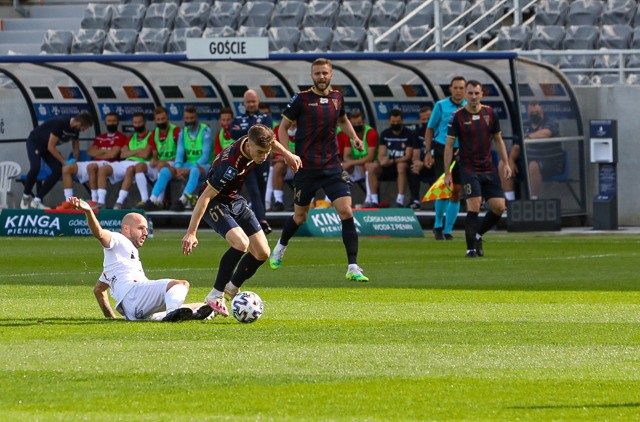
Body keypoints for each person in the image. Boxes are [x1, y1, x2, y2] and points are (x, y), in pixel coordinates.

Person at [181, 124, 301, 317]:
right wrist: (191, 232)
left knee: (262, 252)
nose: (263, 157)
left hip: (234, 199)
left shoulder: (255, 141)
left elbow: (272, 142)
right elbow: (204, 197)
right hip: (215, 201)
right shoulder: (229, 166)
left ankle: (231, 288)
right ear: (249, 146)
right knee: (241, 243)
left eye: (266, 153)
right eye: (260, 152)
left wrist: (287, 154)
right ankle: (215, 295)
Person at [269, 57, 369, 282]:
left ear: (331, 75)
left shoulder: (337, 98)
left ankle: (353, 266)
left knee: (346, 211)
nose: (321, 77)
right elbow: (282, 127)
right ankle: (280, 246)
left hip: (332, 166)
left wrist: (354, 138)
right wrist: (286, 154)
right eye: (317, 74)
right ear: (312, 76)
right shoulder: (302, 99)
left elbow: (343, 120)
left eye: (325, 73)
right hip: (306, 167)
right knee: (300, 216)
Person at [68, 196, 213, 322]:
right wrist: (88, 211)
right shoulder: (118, 239)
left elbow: (99, 290)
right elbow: (99, 233)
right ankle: (172, 313)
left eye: (146, 229)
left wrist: (111, 317)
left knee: (193, 305)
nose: (146, 233)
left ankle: (203, 310)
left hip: (134, 311)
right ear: (126, 229)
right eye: (141, 228)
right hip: (135, 294)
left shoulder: (114, 265)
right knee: (180, 284)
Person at [444, 80, 512, 258]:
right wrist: (447, 174)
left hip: (488, 168)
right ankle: (470, 249)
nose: (473, 96)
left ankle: (478, 234)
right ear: (465, 95)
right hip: (468, 168)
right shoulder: (457, 117)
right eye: (470, 93)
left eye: (476, 93)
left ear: (482, 94)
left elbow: (498, 139)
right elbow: (449, 146)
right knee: (474, 205)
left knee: (499, 207)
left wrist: (506, 163)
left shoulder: (490, 113)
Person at [21, 112, 94, 210]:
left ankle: (37, 200)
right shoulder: (60, 123)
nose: (84, 130)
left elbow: (76, 148)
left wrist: (77, 164)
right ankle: (26, 197)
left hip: (47, 147)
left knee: (57, 170)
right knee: (35, 167)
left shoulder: (75, 130)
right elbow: (51, 147)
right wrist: (64, 161)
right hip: (35, 142)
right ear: (79, 123)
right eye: (84, 128)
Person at [425, 76, 467, 240]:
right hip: (443, 148)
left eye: (461, 88)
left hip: (461, 151)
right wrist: (428, 151)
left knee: (457, 190)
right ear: (450, 89)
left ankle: (448, 229)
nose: (458, 91)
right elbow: (430, 129)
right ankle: (437, 225)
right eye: (455, 87)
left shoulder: (468, 108)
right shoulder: (441, 106)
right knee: (443, 188)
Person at [57, 112, 127, 209]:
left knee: (91, 167)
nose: (111, 123)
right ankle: (69, 201)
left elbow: (113, 154)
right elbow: (90, 152)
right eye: (109, 121)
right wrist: (105, 150)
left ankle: (94, 200)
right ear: (105, 123)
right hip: (94, 162)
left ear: (118, 122)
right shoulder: (100, 137)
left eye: (114, 121)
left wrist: (99, 151)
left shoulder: (121, 137)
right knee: (67, 168)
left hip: (110, 164)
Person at [230, 89, 273, 234]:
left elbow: (267, 135)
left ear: (258, 101)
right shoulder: (238, 119)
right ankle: (261, 221)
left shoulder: (266, 118)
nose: (251, 104)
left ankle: (258, 221)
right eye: (248, 101)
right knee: (254, 191)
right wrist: (254, 133)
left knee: (261, 191)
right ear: (244, 103)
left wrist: (244, 131)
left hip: (263, 160)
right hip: (246, 161)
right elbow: (232, 133)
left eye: (253, 101)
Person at [499, 101, 561, 201]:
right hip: (527, 162)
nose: (534, 115)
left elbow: (545, 133)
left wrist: (527, 138)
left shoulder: (550, 123)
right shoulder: (524, 126)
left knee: (533, 165)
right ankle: (510, 201)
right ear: (527, 113)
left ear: (542, 111)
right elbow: (517, 146)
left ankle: (533, 201)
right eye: (532, 113)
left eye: (537, 112)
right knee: (503, 164)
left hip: (550, 163)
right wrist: (510, 161)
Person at [96, 112, 152, 209]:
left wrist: (130, 152)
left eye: (140, 122)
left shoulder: (151, 135)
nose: (137, 125)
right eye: (135, 122)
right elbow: (122, 154)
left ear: (145, 123)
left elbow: (145, 154)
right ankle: (100, 202)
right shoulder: (131, 137)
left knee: (130, 169)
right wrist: (138, 150)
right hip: (126, 162)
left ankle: (119, 202)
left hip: (142, 163)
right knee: (103, 169)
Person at [168, 105, 214, 211]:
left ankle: (182, 200)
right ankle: (153, 200)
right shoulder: (182, 132)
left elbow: (205, 156)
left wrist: (188, 169)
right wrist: (178, 167)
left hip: (206, 165)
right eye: (187, 118)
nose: (189, 121)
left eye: (192, 118)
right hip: (189, 164)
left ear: (196, 117)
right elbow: (179, 153)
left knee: (194, 170)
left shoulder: (205, 131)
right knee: (166, 171)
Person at [365, 108, 413, 208]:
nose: (395, 124)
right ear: (389, 121)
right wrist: (383, 160)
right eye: (393, 122)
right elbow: (381, 153)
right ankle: (374, 200)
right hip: (388, 165)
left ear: (402, 121)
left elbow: (408, 156)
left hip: (402, 165)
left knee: (401, 166)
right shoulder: (385, 133)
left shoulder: (409, 134)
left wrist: (392, 161)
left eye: (398, 122)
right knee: (371, 167)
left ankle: (400, 200)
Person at [140, 106, 181, 210]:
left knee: (161, 166)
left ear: (167, 118)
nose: (161, 121)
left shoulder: (176, 131)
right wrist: (154, 160)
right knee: (139, 166)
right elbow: (155, 155)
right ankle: (145, 200)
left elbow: (181, 154)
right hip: (161, 163)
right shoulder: (154, 133)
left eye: (163, 119)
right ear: (155, 120)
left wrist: (162, 162)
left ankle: (158, 201)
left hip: (175, 162)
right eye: (158, 119)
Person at [339, 110, 378, 207]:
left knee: (369, 166)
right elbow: (346, 156)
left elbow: (370, 157)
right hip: (359, 167)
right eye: (354, 124)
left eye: (359, 123)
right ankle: (333, 201)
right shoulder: (350, 134)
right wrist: (351, 164)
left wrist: (352, 163)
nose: (357, 125)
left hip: (374, 166)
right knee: (340, 167)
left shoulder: (370, 133)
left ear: (363, 122)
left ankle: (372, 201)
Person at [408, 105, 435, 210]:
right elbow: (415, 155)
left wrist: (425, 163)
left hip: (439, 165)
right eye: (423, 119)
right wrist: (418, 163)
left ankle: (442, 201)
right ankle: (415, 201)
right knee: (413, 168)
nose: (426, 121)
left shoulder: (441, 132)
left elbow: (442, 154)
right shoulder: (417, 133)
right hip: (424, 166)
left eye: (429, 119)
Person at [268, 120, 297, 212]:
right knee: (277, 167)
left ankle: (299, 201)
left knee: (302, 166)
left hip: (300, 166)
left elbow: (307, 152)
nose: (292, 123)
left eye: (295, 120)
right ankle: (278, 201)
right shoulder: (277, 129)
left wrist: (288, 156)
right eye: (290, 120)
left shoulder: (305, 128)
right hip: (285, 166)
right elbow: (275, 153)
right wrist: (285, 157)